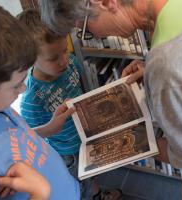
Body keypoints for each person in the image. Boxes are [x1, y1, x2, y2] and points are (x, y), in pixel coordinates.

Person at [39, 0, 182, 199]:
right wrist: (158, 74)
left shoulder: (170, 63)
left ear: (104, 2)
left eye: (84, 28)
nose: (95, 36)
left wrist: (137, 144)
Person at [0, 1, 79, 199]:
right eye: (15, 85)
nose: (23, 88)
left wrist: (48, 129)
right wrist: (39, 193)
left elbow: (16, 137)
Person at [17, 9, 122, 200]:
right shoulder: (32, 99)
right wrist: (50, 128)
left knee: (92, 174)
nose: (64, 60)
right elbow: (27, 136)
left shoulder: (71, 63)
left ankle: (96, 194)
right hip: (67, 154)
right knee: (77, 187)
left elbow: (80, 88)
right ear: (30, 59)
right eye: (53, 58)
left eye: (65, 50)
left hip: (86, 135)